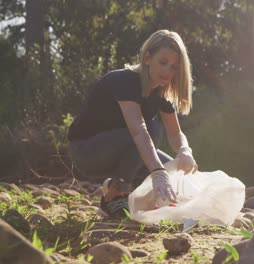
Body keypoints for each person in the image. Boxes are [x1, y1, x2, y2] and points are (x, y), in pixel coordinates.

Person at [67, 29, 198, 218]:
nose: (168, 71)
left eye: (174, 67)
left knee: (177, 173)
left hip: (120, 150)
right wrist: (157, 172)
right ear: (147, 58)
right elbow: (139, 131)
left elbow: (175, 134)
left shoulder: (161, 93)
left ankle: (126, 193)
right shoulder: (125, 81)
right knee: (153, 130)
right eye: (163, 62)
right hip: (86, 152)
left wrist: (185, 151)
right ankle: (116, 194)